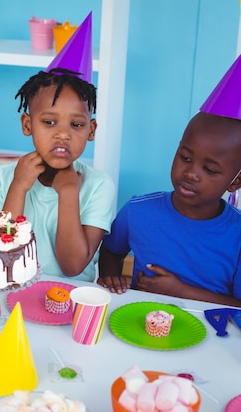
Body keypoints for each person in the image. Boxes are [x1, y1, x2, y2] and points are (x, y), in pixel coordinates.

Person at [98, 55, 241, 306]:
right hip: (142, 325)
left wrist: (181, 291)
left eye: (209, 169)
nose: (191, 173)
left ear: (235, 181)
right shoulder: (138, 210)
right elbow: (111, 250)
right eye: (185, 157)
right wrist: (111, 279)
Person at [0, 13, 115, 282]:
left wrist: (68, 193)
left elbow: (72, 267)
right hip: (12, 290)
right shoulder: (4, 178)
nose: (62, 135)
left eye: (76, 125)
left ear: (91, 130)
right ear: (27, 124)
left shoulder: (99, 186)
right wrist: (19, 187)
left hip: (69, 301)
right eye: (49, 122)